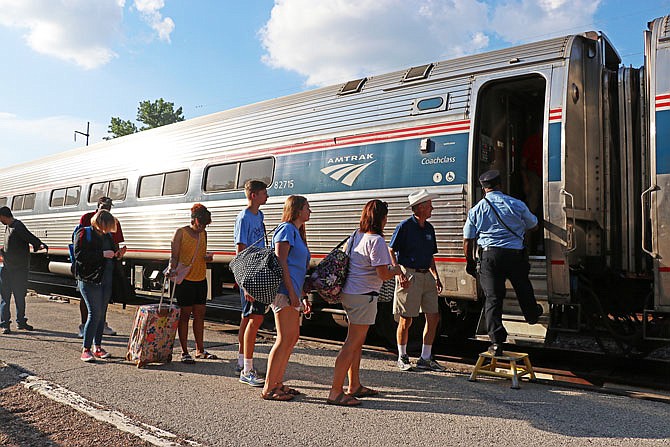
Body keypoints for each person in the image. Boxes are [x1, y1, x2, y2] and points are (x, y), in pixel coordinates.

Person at [327, 200, 402, 407]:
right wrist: (396, 270)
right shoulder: (376, 240)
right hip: (364, 296)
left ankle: (354, 385)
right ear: (381, 218)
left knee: (356, 343)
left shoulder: (356, 235)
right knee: (351, 344)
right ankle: (335, 392)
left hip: (351, 293)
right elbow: (383, 274)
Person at [463, 170, 543, 356]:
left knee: (493, 298)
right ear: (500, 185)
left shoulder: (476, 210)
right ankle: (531, 315)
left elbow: (468, 240)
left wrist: (469, 261)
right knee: (523, 285)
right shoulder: (516, 204)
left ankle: (497, 343)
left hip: (490, 257)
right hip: (515, 255)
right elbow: (534, 225)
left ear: (483, 188)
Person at [260, 195, 312, 401]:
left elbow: (299, 269)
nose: (310, 212)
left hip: (293, 292)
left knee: (292, 338)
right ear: (298, 209)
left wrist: (302, 295)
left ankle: (278, 383)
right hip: (283, 292)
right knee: (283, 339)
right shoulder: (286, 230)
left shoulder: (297, 232)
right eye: (308, 208)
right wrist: (291, 292)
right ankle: (269, 387)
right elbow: (281, 264)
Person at [389, 189, 446, 372]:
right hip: (410, 274)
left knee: (433, 316)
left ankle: (425, 358)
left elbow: (430, 255)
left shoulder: (429, 228)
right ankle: (402, 356)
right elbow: (391, 250)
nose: (432, 208)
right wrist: (399, 274)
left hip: (426, 275)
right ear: (420, 207)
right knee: (406, 319)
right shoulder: (404, 226)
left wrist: (436, 276)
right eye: (429, 205)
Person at [168, 204, 216, 364]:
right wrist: (171, 269)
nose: (202, 228)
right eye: (201, 224)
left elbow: (202, 254)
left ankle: (200, 349)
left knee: (200, 315)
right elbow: (174, 256)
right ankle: (184, 351)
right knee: (184, 316)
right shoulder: (180, 232)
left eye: (205, 226)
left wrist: (208, 258)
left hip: (200, 278)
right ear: (194, 220)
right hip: (185, 280)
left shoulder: (204, 233)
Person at [234, 180, 269, 387]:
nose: (267, 196)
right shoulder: (244, 217)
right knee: (252, 318)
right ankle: (246, 367)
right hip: (250, 272)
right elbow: (241, 250)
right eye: (264, 193)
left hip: (259, 268)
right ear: (254, 195)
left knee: (247, 318)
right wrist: (245, 282)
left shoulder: (260, 215)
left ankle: (242, 360)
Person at [77, 196, 126, 338]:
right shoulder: (87, 219)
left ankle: (101, 326)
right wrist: (102, 254)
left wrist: (118, 254)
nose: (107, 209)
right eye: (104, 206)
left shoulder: (113, 221)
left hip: (107, 268)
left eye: (109, 207)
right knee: (87, 299)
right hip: (89, 270)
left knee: (103, 300)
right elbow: (82, 249)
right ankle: (84, 326)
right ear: (98, 206)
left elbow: (114, 244)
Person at [73, 209, 117, 361]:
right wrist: (102, 254)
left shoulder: (107, 236)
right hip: (89, 279)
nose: (109, 229)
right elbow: (80, 255)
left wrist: (117, 254)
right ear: (100, 222)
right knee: (94, 313)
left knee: (101, 314)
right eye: (108, 225)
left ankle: (97, 347)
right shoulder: (84, 233)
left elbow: (112, 251)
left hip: (106, 278)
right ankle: (86, 349)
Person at [0, 206, 47, 334]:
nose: (0, 221)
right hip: (7, 268)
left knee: (19, 297)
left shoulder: (18, 226)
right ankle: (5, 324)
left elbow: (29, 237)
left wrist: (39, 244)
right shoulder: (8, 227)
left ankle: (20, 322)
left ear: (4, 216)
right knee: (5, 297)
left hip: (19, 270)